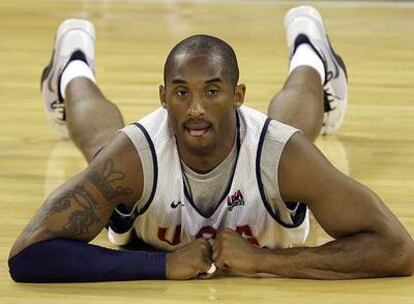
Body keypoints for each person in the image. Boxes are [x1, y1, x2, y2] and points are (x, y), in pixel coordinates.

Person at [8, 6, 414, 283]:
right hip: (145, 181)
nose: (196, 109)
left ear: (238, 95)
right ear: (163, 97)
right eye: (181, 93)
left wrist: (263, 261)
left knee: (290, 134)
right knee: (103, 147)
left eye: (213, 91)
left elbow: (398, 250)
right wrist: (161, 265)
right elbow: (27, 256)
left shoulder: (280, 154)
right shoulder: (136, 156)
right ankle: (72, 66)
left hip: (274, 161)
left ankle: (310, 56)